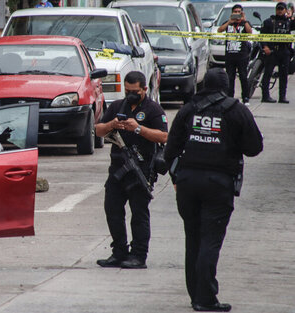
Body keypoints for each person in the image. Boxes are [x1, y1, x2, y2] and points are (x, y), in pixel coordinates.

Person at [164, 68, 263, 312]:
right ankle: (205, 298)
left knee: (194, 238)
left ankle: (195, 293)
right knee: (210, 239)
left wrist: (176, 177)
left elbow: (170, 149)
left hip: (187, 183)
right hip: (218, 184)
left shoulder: (188, 110)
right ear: (226, 86)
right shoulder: (236, 110)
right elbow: (254, 147)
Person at [95, 71, 168, 269]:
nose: (131, 94)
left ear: (144, 89)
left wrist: (138, 128)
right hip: (118, 168)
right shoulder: (119, 106)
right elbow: (98, 130)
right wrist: (112, 124)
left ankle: (138, 255)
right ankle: (118, 252)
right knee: (112, 210)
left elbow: (163, 137)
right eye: (127, 91)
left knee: (139, 214)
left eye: (135, 91)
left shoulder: (153, 109)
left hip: (140, 170)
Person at [260, 1, 295, 103]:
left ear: (285, 10)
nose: (279, 11)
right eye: (278, 9)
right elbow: (262, 36)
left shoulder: (289, 22)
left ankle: (282, 97)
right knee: (267, 73)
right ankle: (265, 96)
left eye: (281, 9)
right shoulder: (269, 22)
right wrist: (265, 46)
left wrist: (292, 14)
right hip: (272, 51)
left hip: (284, 51)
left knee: (284, 75)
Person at [217, 4, 252, 106]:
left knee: (243, 77)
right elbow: (220, 30)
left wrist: (244, 20)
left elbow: (249, 32)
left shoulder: (245, 23)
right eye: (235, 12)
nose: (237, 14)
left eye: (239, 12)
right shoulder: (228, 23)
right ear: (232, 13)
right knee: (230, 77)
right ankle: (229, 97)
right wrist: (229, 22)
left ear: (242, 13)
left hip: (242, 55)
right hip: (230, 55)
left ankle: (245, 98)